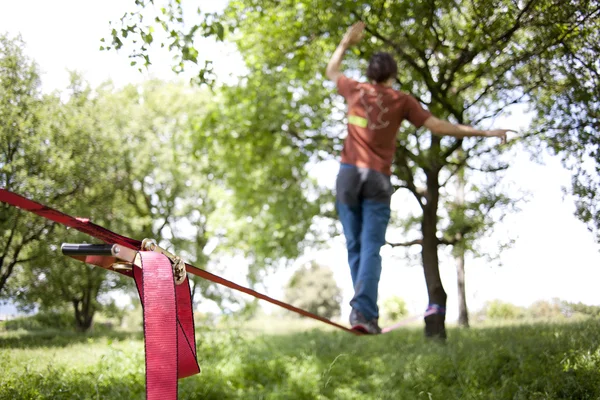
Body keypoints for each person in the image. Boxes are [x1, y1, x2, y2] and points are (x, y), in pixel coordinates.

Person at [326, 22, 513, 334]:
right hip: (377, 180)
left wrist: (345, 42)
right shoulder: (402, 100)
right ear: (392, 74)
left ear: (371, 73)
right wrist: (484, 131)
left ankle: (362, 311)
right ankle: (363, 313)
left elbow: (332, 70)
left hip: (348, 176)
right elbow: (438, 126)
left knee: (355, 245)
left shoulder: (354, 88)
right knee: (371, 246)